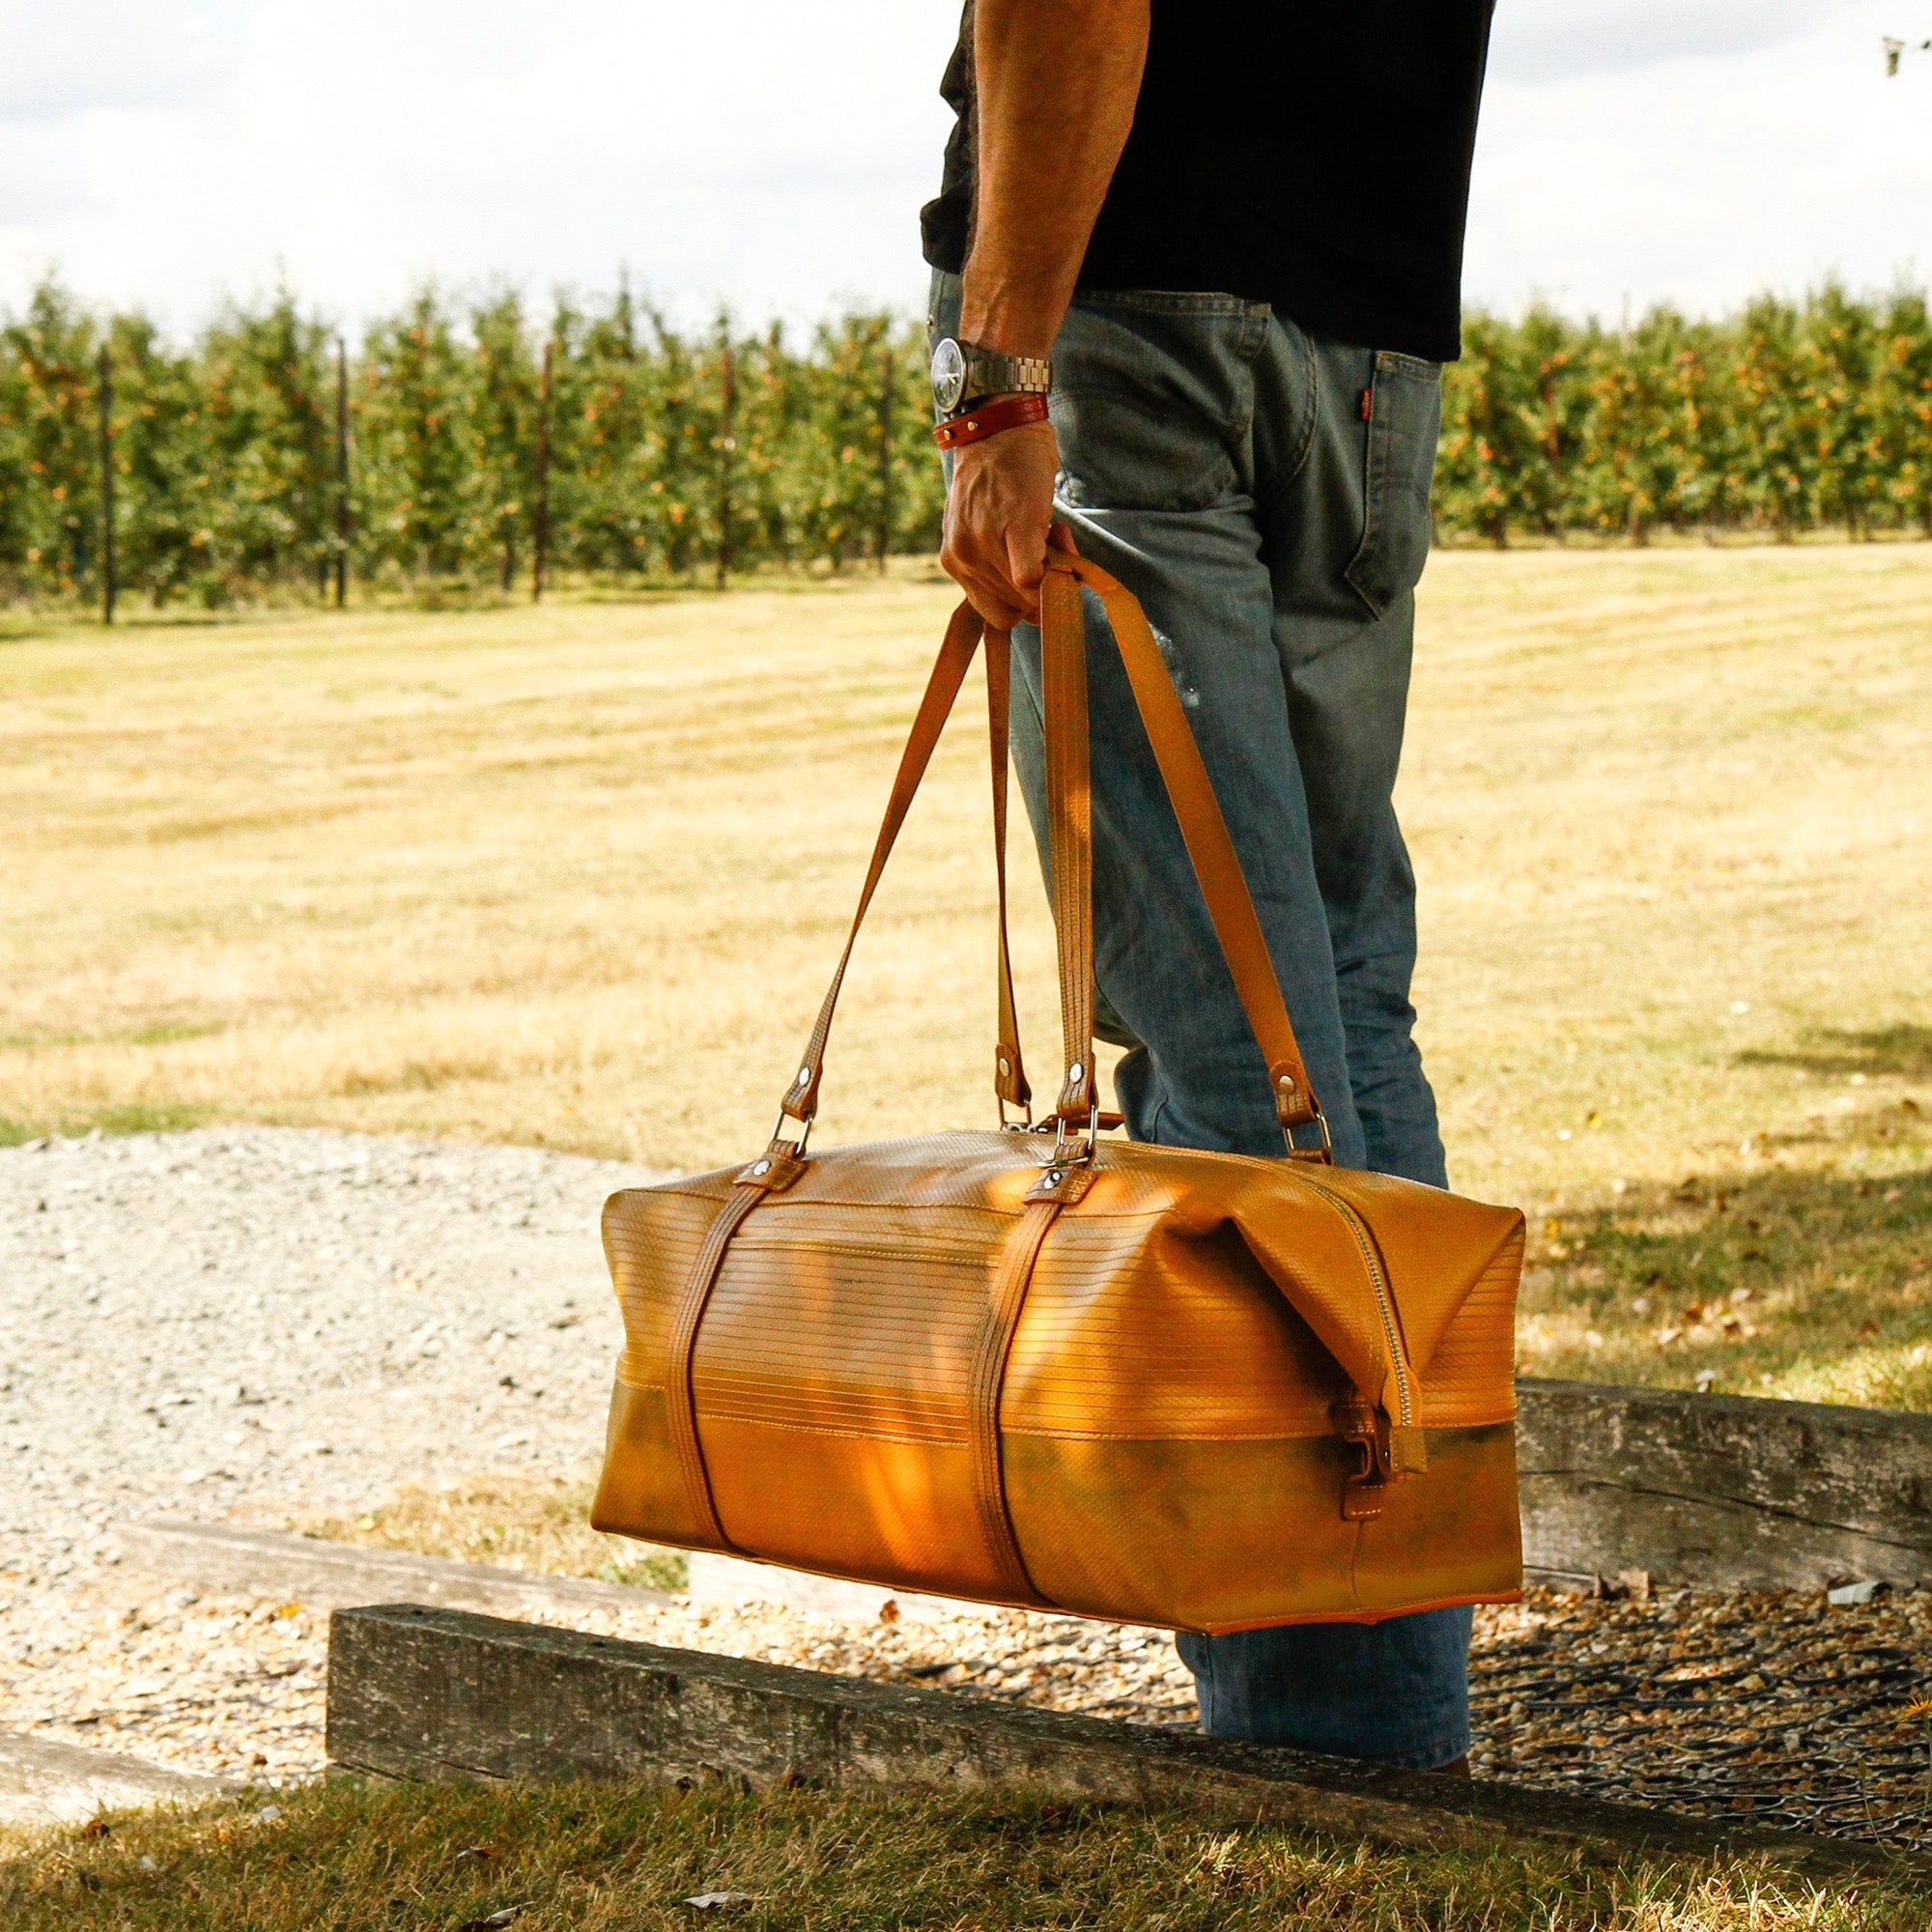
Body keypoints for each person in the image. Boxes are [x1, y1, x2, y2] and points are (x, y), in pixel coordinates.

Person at [923, 0, 1496, 1774]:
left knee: (1241, 1038)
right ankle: (1390, 1676)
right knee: (1343, 1013)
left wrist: (999, 376)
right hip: (1369, 341)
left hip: (1141, 319)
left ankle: (1338, 1752)